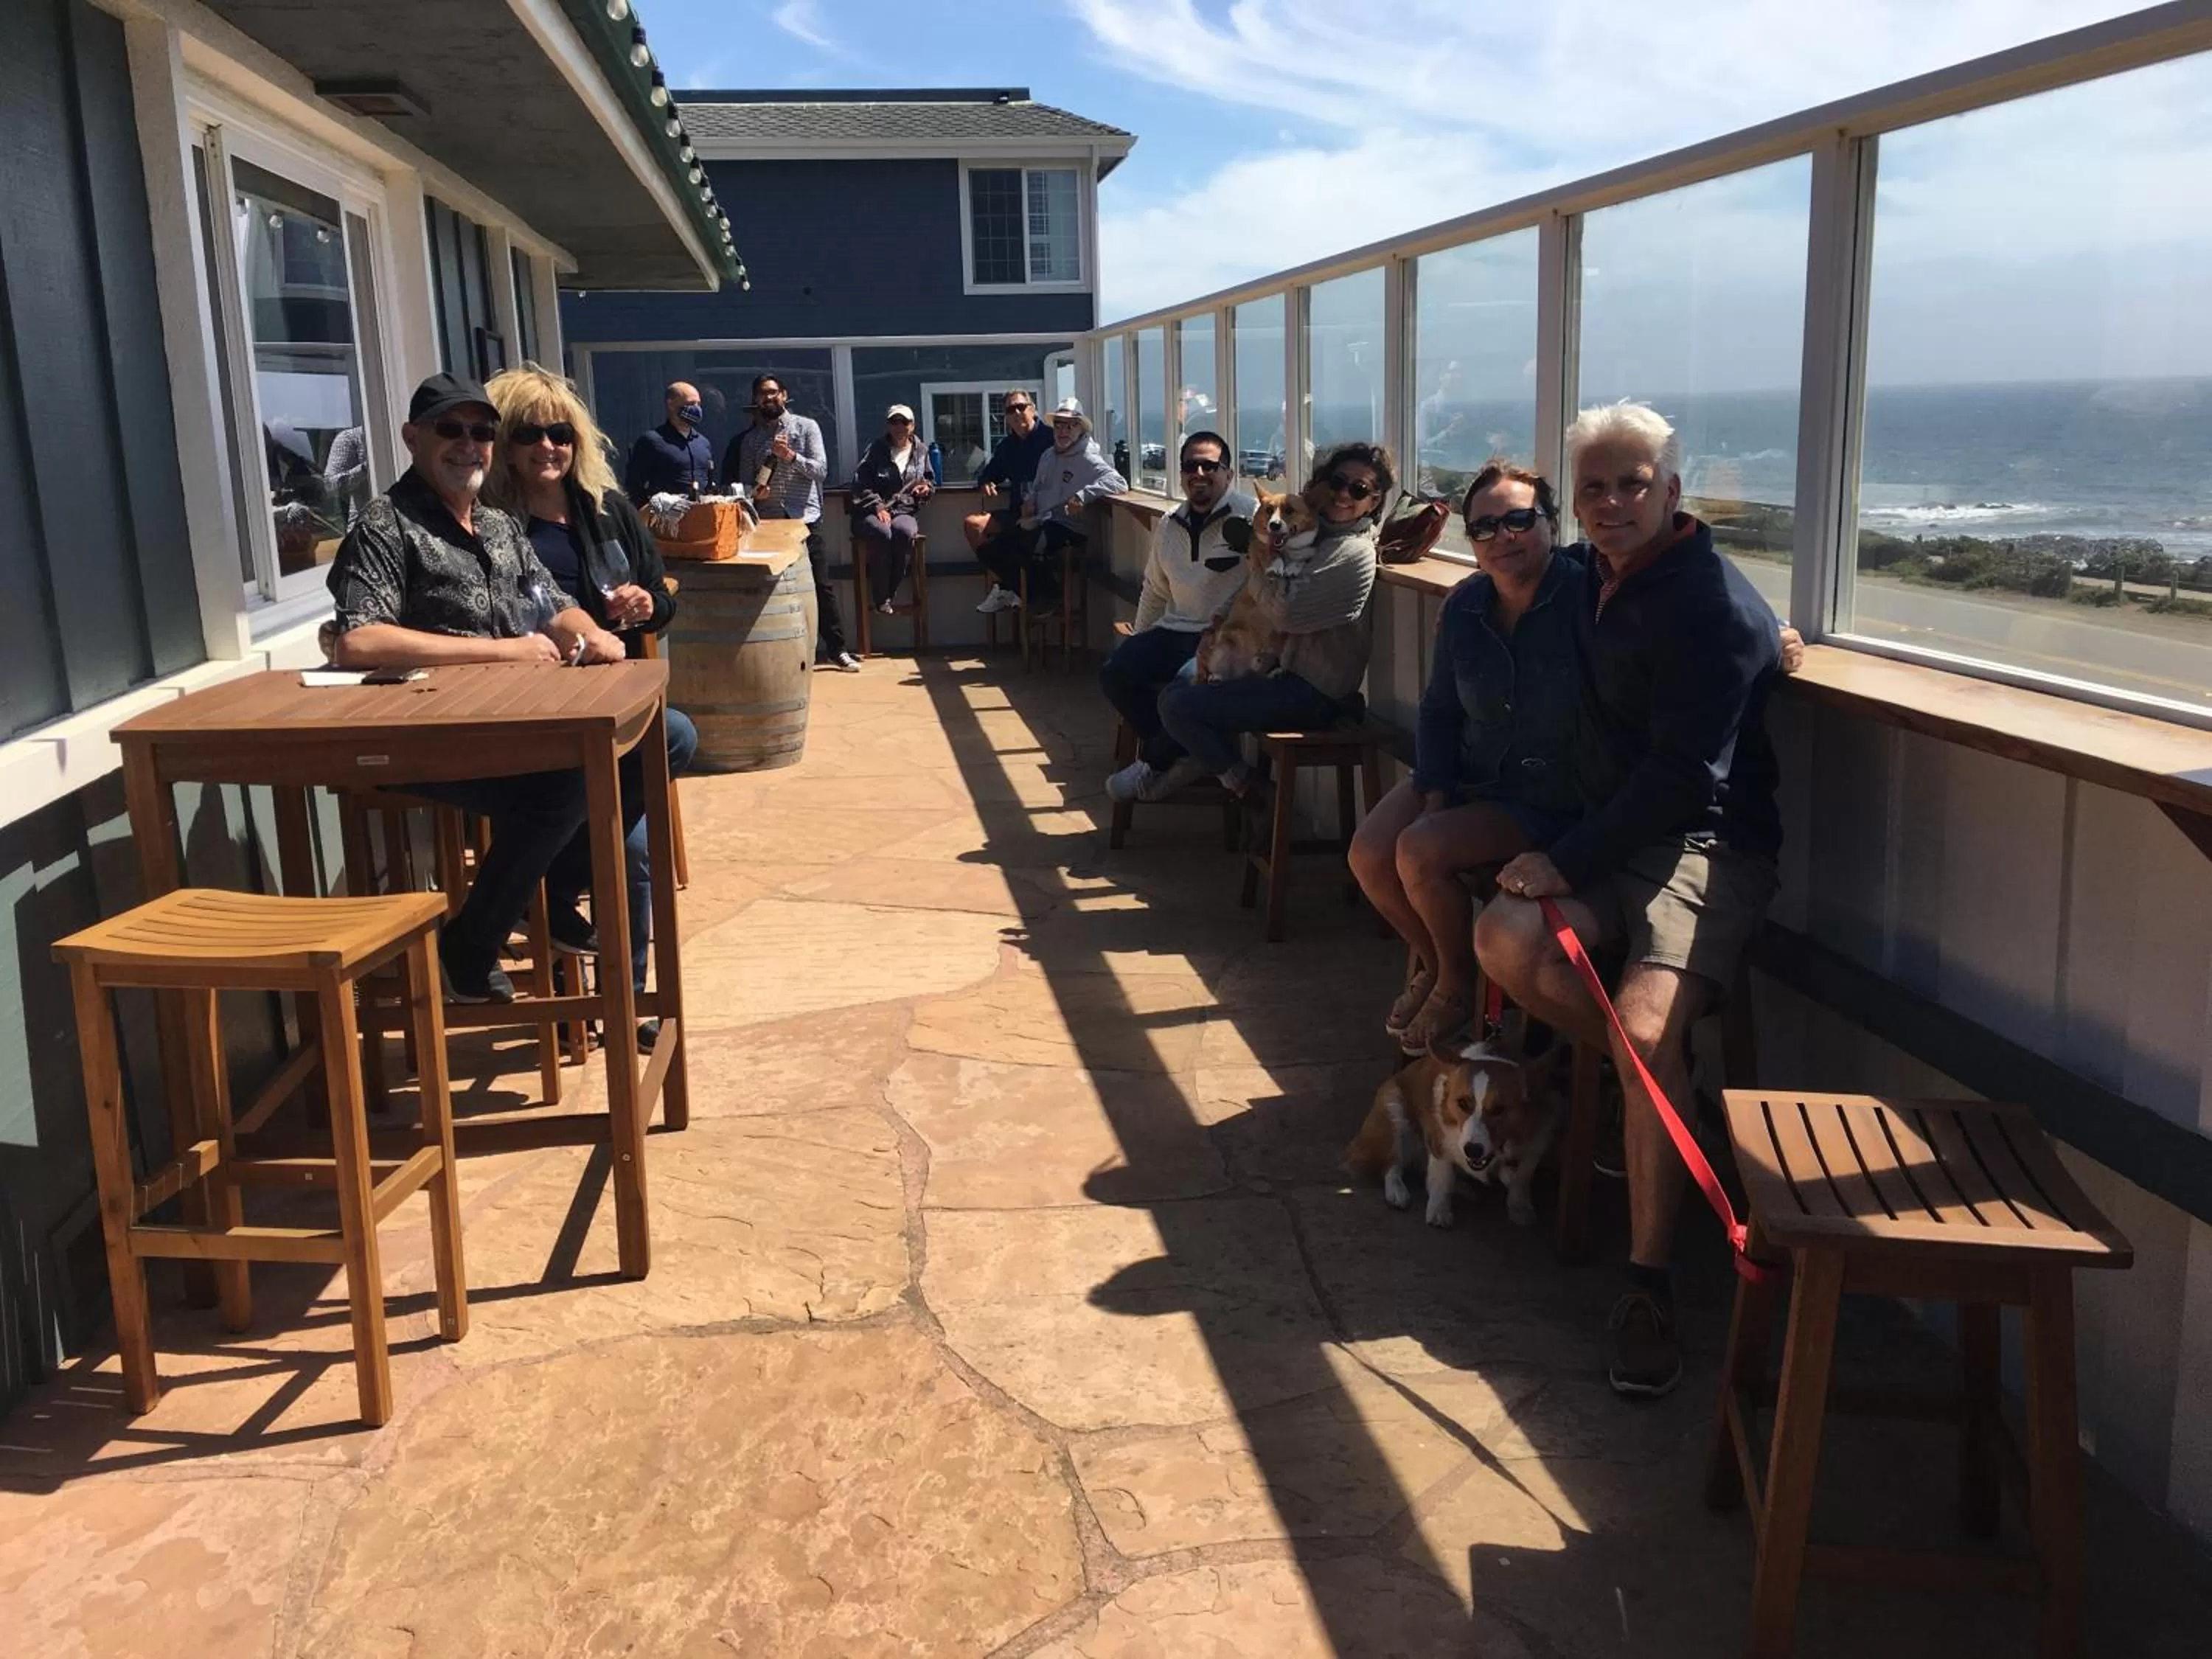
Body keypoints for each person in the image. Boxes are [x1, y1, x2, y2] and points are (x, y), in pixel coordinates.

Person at [1473, 401, 1784, 1401]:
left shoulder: (1712, 607)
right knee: (1500, 934)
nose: (1612, 502)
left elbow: (1685, 779)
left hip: (1704, 843)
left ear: (1674, 491)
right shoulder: (1593, 578)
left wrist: (1565, 856)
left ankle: (1649, 1282)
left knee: (1647, 1034)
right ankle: (1641, 1095)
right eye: (1595, 486)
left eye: (1633, 483)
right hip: (1615, 831)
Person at [326, 371, 625, 1004]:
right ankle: (473, 942)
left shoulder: (497, 526)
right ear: (413, 438)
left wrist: (588, 631)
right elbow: (360, 640)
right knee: (568, 782)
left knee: (666, 738)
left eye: (483, 432)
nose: (470, 444)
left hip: (509, 722)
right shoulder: (384, 526)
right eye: (451, 430)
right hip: (419, 737)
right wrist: (504, 650)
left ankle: (542, 890)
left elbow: (551, 600)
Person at [484, 364, 698, 1048]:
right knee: (626, 844)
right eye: (529, 434)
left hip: (609, 707)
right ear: (503, 445)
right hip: (528, 714)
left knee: (672, 751)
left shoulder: (604, 510)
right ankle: (545, 899)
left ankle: (618, 995)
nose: (548, 447)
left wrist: (648, 603)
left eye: (560, 433)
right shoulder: (487, 528)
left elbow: (660, 596)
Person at [1349, 461, 1585, 1054]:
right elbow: (1439, 711)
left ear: (1553, 525)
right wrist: (1435, 792)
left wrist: (1775, 633)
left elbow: (1695, 591)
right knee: (1370, 853)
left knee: (1420, 850)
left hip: (1548, 795)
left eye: (1519, 520)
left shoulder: (1589, 595)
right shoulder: (1466, 606)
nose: (1502, 537)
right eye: (1484, 528)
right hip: (1471, 768)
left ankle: (1455, 985)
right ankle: (1442, 965)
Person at [1154, 441, 1389, 814]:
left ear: (1374, 502)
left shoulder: (1353, 553)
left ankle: (1247, 787)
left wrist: (1256, 557)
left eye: (1358, 490)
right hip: (1276, 670)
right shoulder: (1314, 535)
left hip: (1316, 692)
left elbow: (1285, 615)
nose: (1343, 494)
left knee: (1180, 705)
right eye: (1337, 482)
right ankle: (1172, 766)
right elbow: (1254, 593)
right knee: (1176, 689)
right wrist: (1214, 629)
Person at [1101, 430, 1255, 801]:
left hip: (1225, 636)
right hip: (1174, 629)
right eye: (1191, 465)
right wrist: (1138, 639)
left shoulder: (1251, 518)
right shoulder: (1170, 523)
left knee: (1184, 689)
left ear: (1229, 474)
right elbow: (1155, 589)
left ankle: (1154, 763)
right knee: (1115, 673)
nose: (1199, 473)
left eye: (1210, 465)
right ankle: (1192, 753)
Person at [720, 374, 858, 672]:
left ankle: (838, 650)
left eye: (773, 392)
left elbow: (821, 471)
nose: (768, 398)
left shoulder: (806, 428)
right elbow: (745, 485)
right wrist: (756, 493)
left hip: (804, 519)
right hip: (768, 523)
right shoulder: (750, 440)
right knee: (773, 590)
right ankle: (782, 654)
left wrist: (791, 456)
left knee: (822, 585)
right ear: (755, 400)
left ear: (784, 395)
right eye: (762, 394)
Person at [975, 397, 1127, 613]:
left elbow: (1118, 482)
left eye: (1070, 425)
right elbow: (1037, 488)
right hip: (1042, 519)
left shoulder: (1088, 457)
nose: (1063, 431)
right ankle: (1022, 590)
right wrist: (1030, 502)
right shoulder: (1049, 455)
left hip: (1069, 527)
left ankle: (1041, 596)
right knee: (993, 548)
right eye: (1059, 424)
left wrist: (1084, 495)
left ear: (1080, 428)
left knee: (1031, 542)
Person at [965, 389, 1053, 610]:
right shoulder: (1006, 447)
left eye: (1021, 407)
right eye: (1010, 410)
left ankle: (1011, 589)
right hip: (1018, 514)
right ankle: (1014, 589)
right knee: (973, 525)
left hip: (1050, 515)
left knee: (1021, 545)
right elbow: (989, 473)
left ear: (1033, 410)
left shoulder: (1051, 438)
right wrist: (985, 481)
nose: (1016, 413)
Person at [849, 403, 935, 614]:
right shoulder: (876, 450)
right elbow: (860, 484)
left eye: (904, 422)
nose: (899, 427)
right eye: (894, 422)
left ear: (912, 426)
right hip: (870, 512)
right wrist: (878, 506)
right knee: (882, 532)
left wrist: (926, 489)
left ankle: (889, 593)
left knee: (904, 532)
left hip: (904, 511)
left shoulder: (921, 450)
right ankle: (880, 596)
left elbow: (930, 480)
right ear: (888, 426)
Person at [625, 380, 717, 504]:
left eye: (698, 404)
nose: (696, 409)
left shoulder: (703, 443)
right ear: (671, 404)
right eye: (691, 403)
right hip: (668, 518)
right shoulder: (652, 441)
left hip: (701, 517)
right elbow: (634, 486)